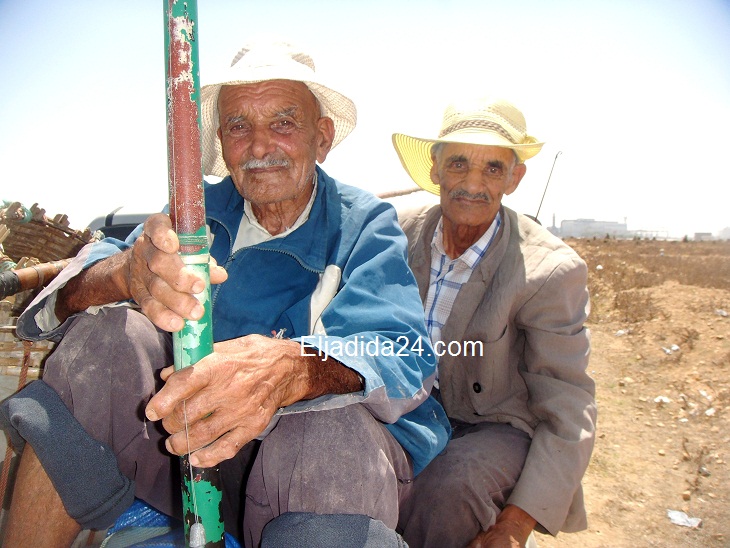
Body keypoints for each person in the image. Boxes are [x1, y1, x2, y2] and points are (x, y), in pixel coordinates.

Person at [0, 40, 450, 547]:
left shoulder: (362, 223)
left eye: (283, 122)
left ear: (321, 137)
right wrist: (126, 273)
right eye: (239, 126)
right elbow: (63, 295)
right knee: (104, 340)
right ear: (222, 141)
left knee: (327, 430)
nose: (259, 147)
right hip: (187, 454)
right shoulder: (195, 211)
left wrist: (293, 368)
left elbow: (402, 350)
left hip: (308, 486)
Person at [392, 96, 597, 547]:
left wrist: (513, 527)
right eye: (459, 164)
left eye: (492, 169)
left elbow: (568, 401)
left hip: (493, 424)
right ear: (436, 169)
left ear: (514, 178)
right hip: (403, 405)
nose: (472, 184)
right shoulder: (395, 233)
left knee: (452, 488)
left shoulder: (549, 270)